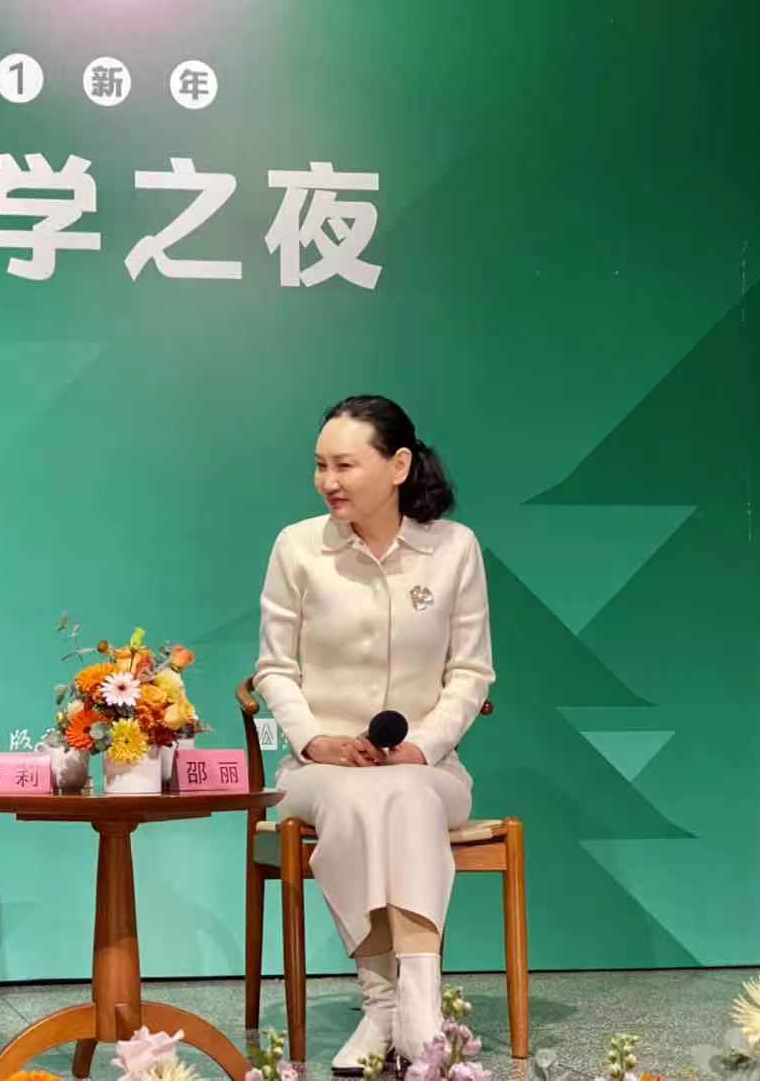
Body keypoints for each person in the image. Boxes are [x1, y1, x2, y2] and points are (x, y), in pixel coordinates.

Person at [253, 395, 494, 1069]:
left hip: (427, 768)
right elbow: (274, 668)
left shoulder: (454, 549)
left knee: (406, 793)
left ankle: (408, 1005)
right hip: (319, 771)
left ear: (398, 466)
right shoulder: (298, 547)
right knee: (360, 797)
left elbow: (471, 672)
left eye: (345, 465)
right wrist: (315, 741)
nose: (327, 481)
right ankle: (389, 1006)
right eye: (320, 465)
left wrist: (424, 746)